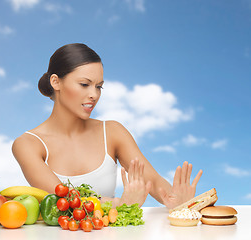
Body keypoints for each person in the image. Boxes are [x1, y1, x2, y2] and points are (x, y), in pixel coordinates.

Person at [12, 43, 203, 208]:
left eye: (98, 86)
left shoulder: (112, 132)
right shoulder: (28, 144)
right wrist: (121, 204)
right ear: (56, 82)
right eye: (84, 84)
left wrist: (175, 199)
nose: (94, 95)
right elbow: (63, 199)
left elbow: (151, 180)